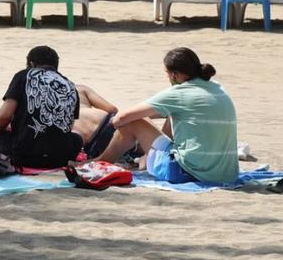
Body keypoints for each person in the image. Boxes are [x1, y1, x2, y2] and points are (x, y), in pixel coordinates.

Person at [96, 48, 238, 184]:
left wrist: (114, 122)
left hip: (188, 173)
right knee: (171, 113)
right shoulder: (216, 87)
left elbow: (122, 118)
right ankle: (148, 158)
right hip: (226, 173)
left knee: (132, 122)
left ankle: (100, 162)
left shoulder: (179, 93)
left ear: (174, 75)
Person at [0, 46, 84, 169]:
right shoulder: (70, 86)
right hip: (59, 158)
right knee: (77, 139)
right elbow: (69, 127)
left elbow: (4, 116)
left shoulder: (23, 75)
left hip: (24, 155)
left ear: (31, 63)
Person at [72, 84, 120, 159]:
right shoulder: (79, 88)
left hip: (83, 138)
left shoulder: (49, 94)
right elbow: (113, 109)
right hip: (104, 121)